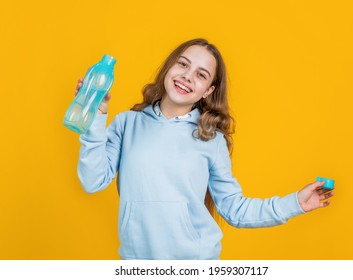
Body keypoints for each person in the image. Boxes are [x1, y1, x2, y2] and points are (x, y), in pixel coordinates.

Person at [76, 38, 334, 260]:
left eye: (201, 74)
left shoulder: (210, 139)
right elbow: (92, 181)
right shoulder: (126, 123)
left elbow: (235, 209)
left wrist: (295, 203)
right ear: (169, 67)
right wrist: (96, 116)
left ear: (208, 90)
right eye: (183, 64)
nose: (187, 76)